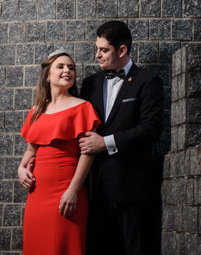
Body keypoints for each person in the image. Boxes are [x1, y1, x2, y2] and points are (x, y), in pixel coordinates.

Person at [78, 21, 164, 255]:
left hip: (132, 188)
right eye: (97, 48)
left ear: (122, 50)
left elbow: (152, 128)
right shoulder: (90, 84)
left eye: (103, 50)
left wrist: (105, 143)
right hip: (95, 188)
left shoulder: (147, 81)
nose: (97, 55)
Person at [18, 51, 101, 255]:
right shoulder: (36, 110)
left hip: (67, 190)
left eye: (71, 68)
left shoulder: (83, 107)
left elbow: (88, 153)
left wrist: (73, 190)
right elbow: (31, 149)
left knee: (65, 247)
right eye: (61, 66)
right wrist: (21, 168)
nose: (67, 71)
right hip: (37, 194)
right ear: (48, 75)